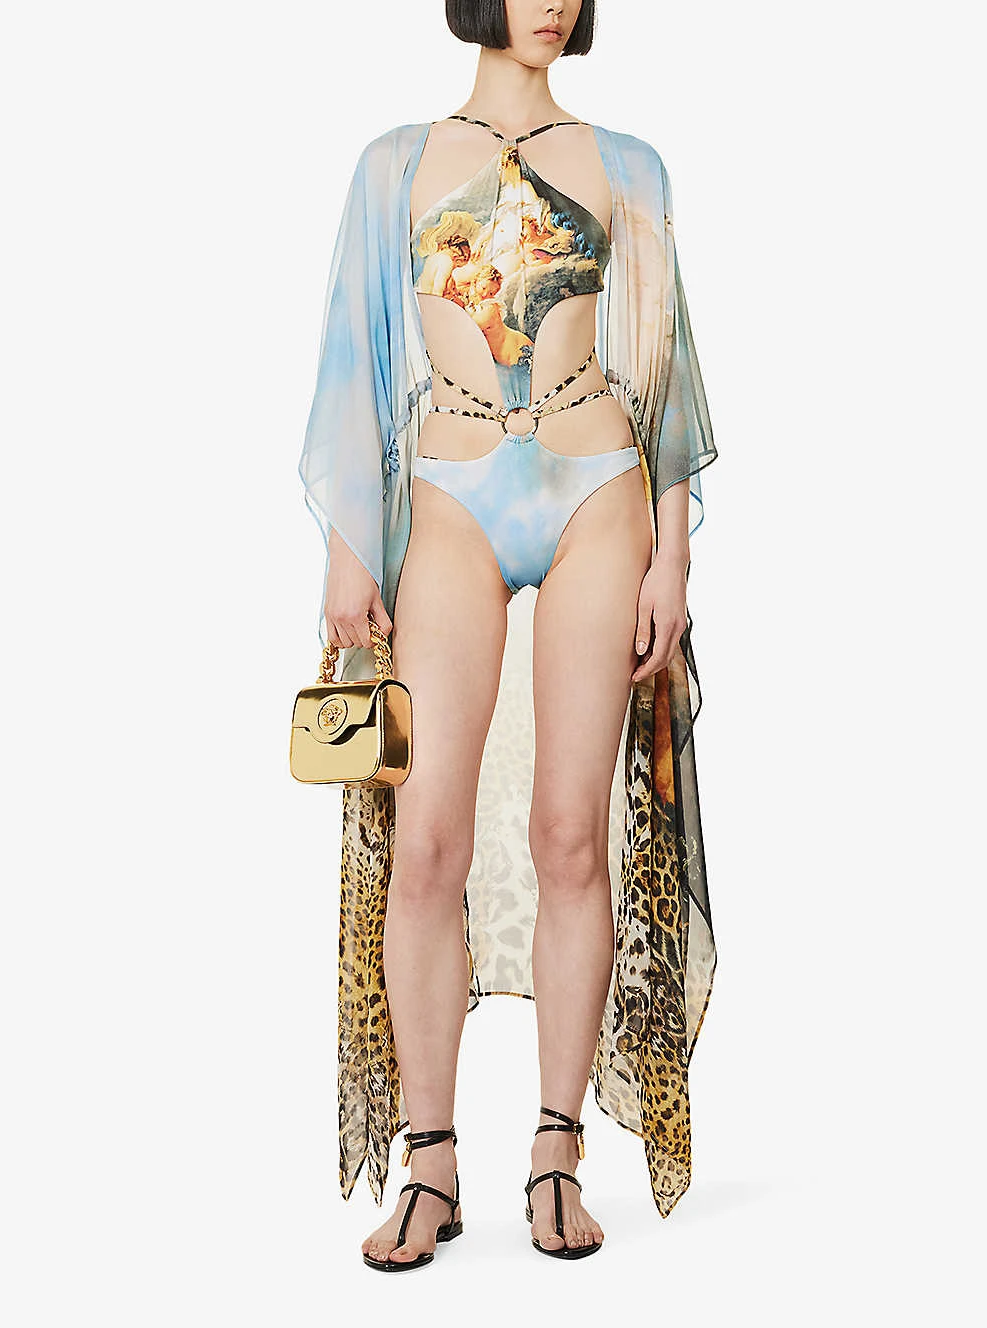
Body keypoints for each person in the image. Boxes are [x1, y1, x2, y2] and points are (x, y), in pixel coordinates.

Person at [297, 0, 719, 1271]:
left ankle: (556, 1150)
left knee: (569, 833)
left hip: (596, 492)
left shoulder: (630, 166)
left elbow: (668, 372)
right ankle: (430, 1162)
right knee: (426, 839)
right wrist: (347, 550)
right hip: (451, 495)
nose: (557, 0)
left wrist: (673, 550)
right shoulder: (395, 165)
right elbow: (353, 364)